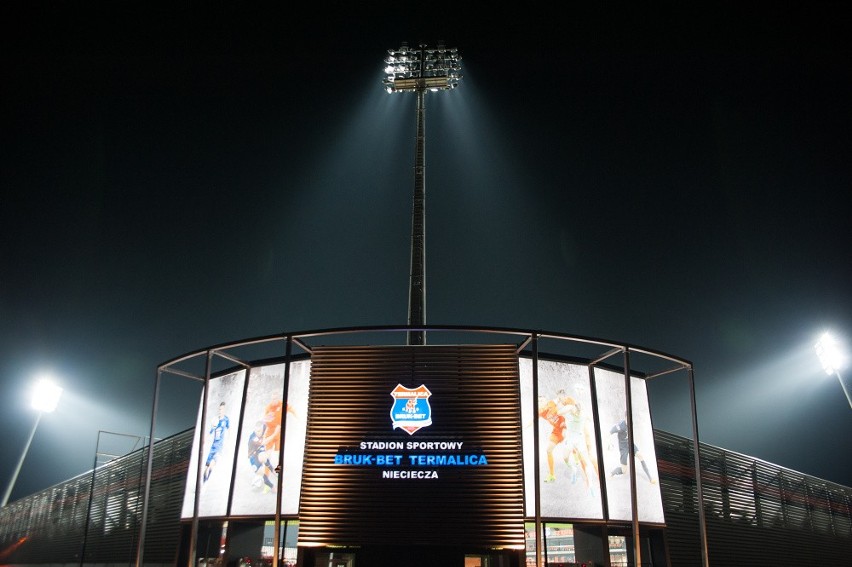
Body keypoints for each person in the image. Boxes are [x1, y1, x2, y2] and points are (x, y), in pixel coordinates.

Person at [609, 416, 657, 484]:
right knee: (624, 471)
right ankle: (612, 473)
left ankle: (650, 478)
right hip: (623, 448)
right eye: (628, 418)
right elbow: (609, 432)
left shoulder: (631, 423)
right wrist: (608, 443)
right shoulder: (620, 426)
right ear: (625, 417)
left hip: (630, 444)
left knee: (640, 456)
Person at [203, 402, 230, 483]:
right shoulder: (215, 420)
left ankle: (207, 481)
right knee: (206, 467)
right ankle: (204, 481)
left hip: (219, 447)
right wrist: (205, 438)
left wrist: (228, 440)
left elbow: (228, 430)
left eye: (222, 409)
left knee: (212, 465)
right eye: (219, 409)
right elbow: (211, 431)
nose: (220, 410)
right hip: (213, 446)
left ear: (224, 410)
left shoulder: (226, 419)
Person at [247, 421, 276, 493]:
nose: (258, 433)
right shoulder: (253, 438)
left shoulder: (263, 430)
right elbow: (264, 442)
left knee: (264, 456)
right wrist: (275, 434)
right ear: (254, 430)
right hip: (253, 457)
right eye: (256, 431)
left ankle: (273, 471)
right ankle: (270, 485)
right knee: (260, 473)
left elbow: (265, 424)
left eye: (260, 431)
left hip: (260, 452)